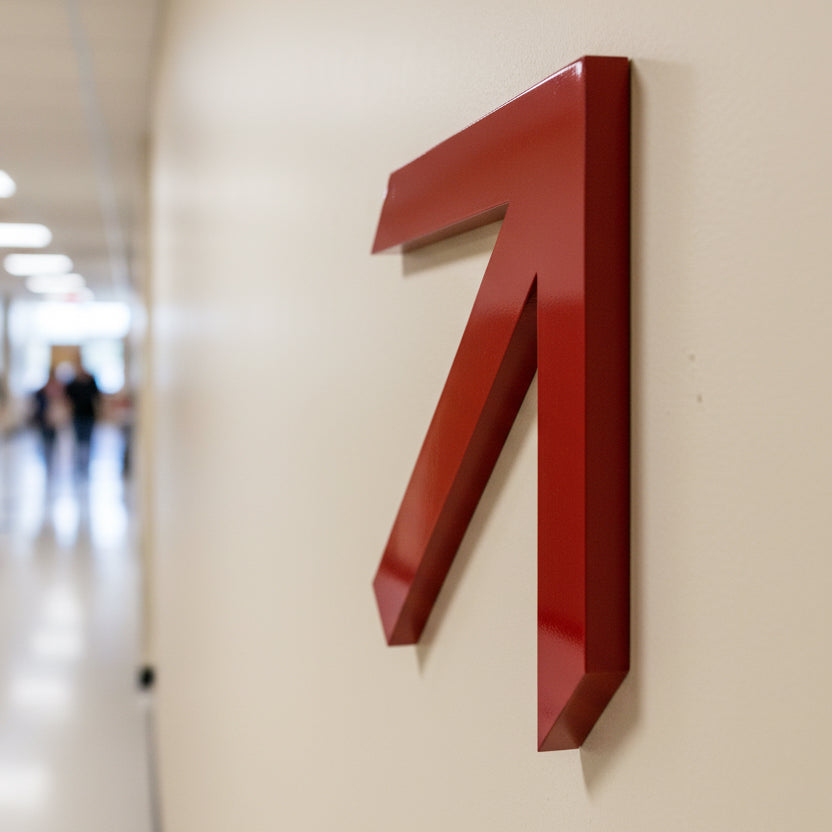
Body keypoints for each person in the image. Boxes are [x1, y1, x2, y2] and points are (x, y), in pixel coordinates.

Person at [65, 366, 100, 471]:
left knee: (87, 440)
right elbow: (67, 398)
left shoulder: (91, 382)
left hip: (89, 415)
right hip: (77, 415)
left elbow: (97, 397)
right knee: (78, 440)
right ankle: (78, 463)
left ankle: (86, 463)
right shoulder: (73, 384)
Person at [33, 368, 68, 465]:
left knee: (52, 439)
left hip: (54, 419)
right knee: (45, 440)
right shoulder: (42, 391)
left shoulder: (59, 389)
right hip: (44, 419)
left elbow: (63, 403)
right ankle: (46, 457)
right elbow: (38, 405)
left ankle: (52, 458)